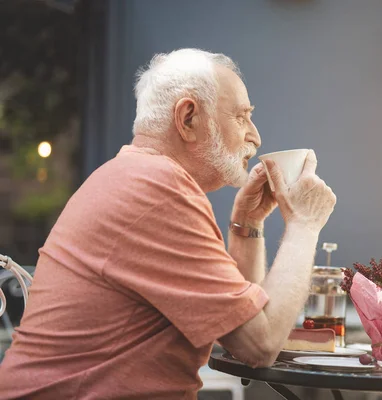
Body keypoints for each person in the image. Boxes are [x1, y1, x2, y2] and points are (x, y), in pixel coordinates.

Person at [0, 48, 336, 399]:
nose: (255, 136)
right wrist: (304, 224)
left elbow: (243, 332)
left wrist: (247, 223)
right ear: (188, 118)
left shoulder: (134, 175)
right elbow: (260, 344)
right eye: (241, 116)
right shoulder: (159, 190)